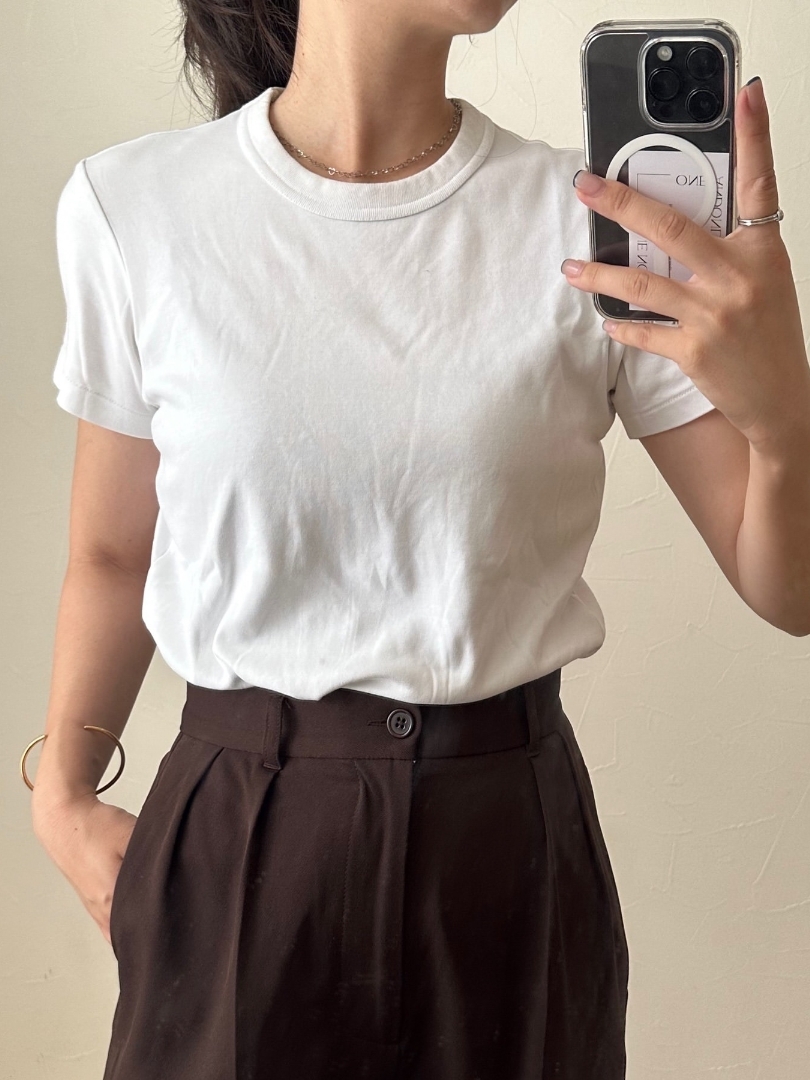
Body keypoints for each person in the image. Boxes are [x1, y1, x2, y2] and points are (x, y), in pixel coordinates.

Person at [27, 0, 810, 1077]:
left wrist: (786, 418)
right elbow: (114, 554)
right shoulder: (136, 206)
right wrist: (62, 796)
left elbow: (788, 588)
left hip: (507, 852)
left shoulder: (595, 222)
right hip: (238, 833)